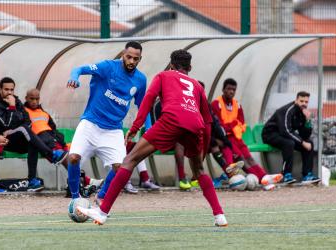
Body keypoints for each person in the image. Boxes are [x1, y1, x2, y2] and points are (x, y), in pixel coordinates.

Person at [77, 49, 229, 226]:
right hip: (195, 126)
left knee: (129, 161)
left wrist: (134, 128)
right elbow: (208, 121)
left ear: (171, 65)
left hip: (171, 120)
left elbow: (148, 100)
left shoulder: (164, 76)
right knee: (200, 171)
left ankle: (102, 212)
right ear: (190, 67)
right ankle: (219, 216)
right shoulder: (197, 86)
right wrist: (202, 150)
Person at [66, 41, 154, 201]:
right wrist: (74, 78)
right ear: (123, 54)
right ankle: (75, 198)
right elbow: (79, 69)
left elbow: (143, 106)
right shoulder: (107, 67)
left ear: (140, 59)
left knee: (121, 168)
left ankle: (101, 198)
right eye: (129, 57)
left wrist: (149, 127)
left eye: (136, 59)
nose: (132, 61)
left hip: (113, 130)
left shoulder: (140, 80)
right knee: (73, 158)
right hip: (90, 124)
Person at [150, 82, 243, 191]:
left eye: (201, 92)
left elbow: (213, 124)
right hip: (167, 138)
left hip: (189, 137)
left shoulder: (202, 105)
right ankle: (182, 178)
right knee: (180, 143)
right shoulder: (168, 103)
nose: (200, 94)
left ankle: (219, 173)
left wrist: (223, 140)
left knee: (211, 144)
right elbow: (160, 125)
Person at [0, 77, 66, 191]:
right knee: (23, 129)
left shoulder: (17, 101)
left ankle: (32, 180)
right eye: (6, 89)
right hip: (4, 141)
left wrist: (15, 119)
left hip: (17, 138)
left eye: (12, 89)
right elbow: (7, 124)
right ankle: (51, 154)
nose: (9, 92)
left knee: (31, 140)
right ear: (0, 89)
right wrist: (12, 107)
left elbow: (27, 120)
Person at [23, 88, 104, 194]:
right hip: (40, 140)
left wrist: (60, 140)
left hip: (52, 138)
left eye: (37, 99)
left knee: (70, 153)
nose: (34, 101)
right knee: (64, 156)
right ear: (26, 99)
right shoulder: (24, 111)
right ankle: (85, 180)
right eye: (31, 99)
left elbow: (53, 128)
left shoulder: (43, 113)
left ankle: (82, 180)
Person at [211, 78, 283, 190]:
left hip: (237, 137)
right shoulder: (216, 104)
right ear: (223, 89)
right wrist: (233, 124)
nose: (231, 92)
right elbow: (219, 126)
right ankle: (263, 180)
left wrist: (232, 125)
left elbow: (242, 124)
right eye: (229, 89)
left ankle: (265, 178)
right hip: (225, 138)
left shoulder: (237, 105)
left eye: (233, 89)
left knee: (249, 158)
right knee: (242, 161)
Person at [262, 91, 320, 184]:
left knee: (310, 143)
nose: (304, 104)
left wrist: (307, 121)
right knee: (289, 143)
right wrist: (302, 142)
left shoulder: (302, 113)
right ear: (296, 100)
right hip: (270, 134)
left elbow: (305, 135)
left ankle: (307, 175)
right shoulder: (288, 110)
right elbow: (286, 130)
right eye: (301, 101)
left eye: (306, 102)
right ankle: (286, 175)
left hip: (283, 135)